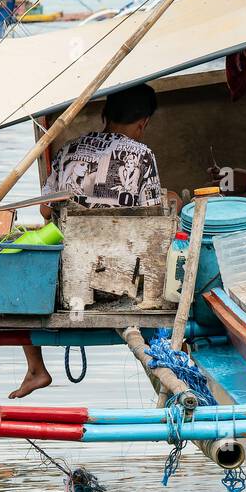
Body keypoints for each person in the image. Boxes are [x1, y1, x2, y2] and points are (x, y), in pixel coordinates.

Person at [10, 84, 163, 399]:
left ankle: (36, 368)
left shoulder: (67, 149)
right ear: (143, 123)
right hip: (120, 284)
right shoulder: (143, 155)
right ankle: (164, 355)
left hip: (68, 282)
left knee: (15, 279)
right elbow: (152, 220)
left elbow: (43, 208)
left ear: (104, 114)